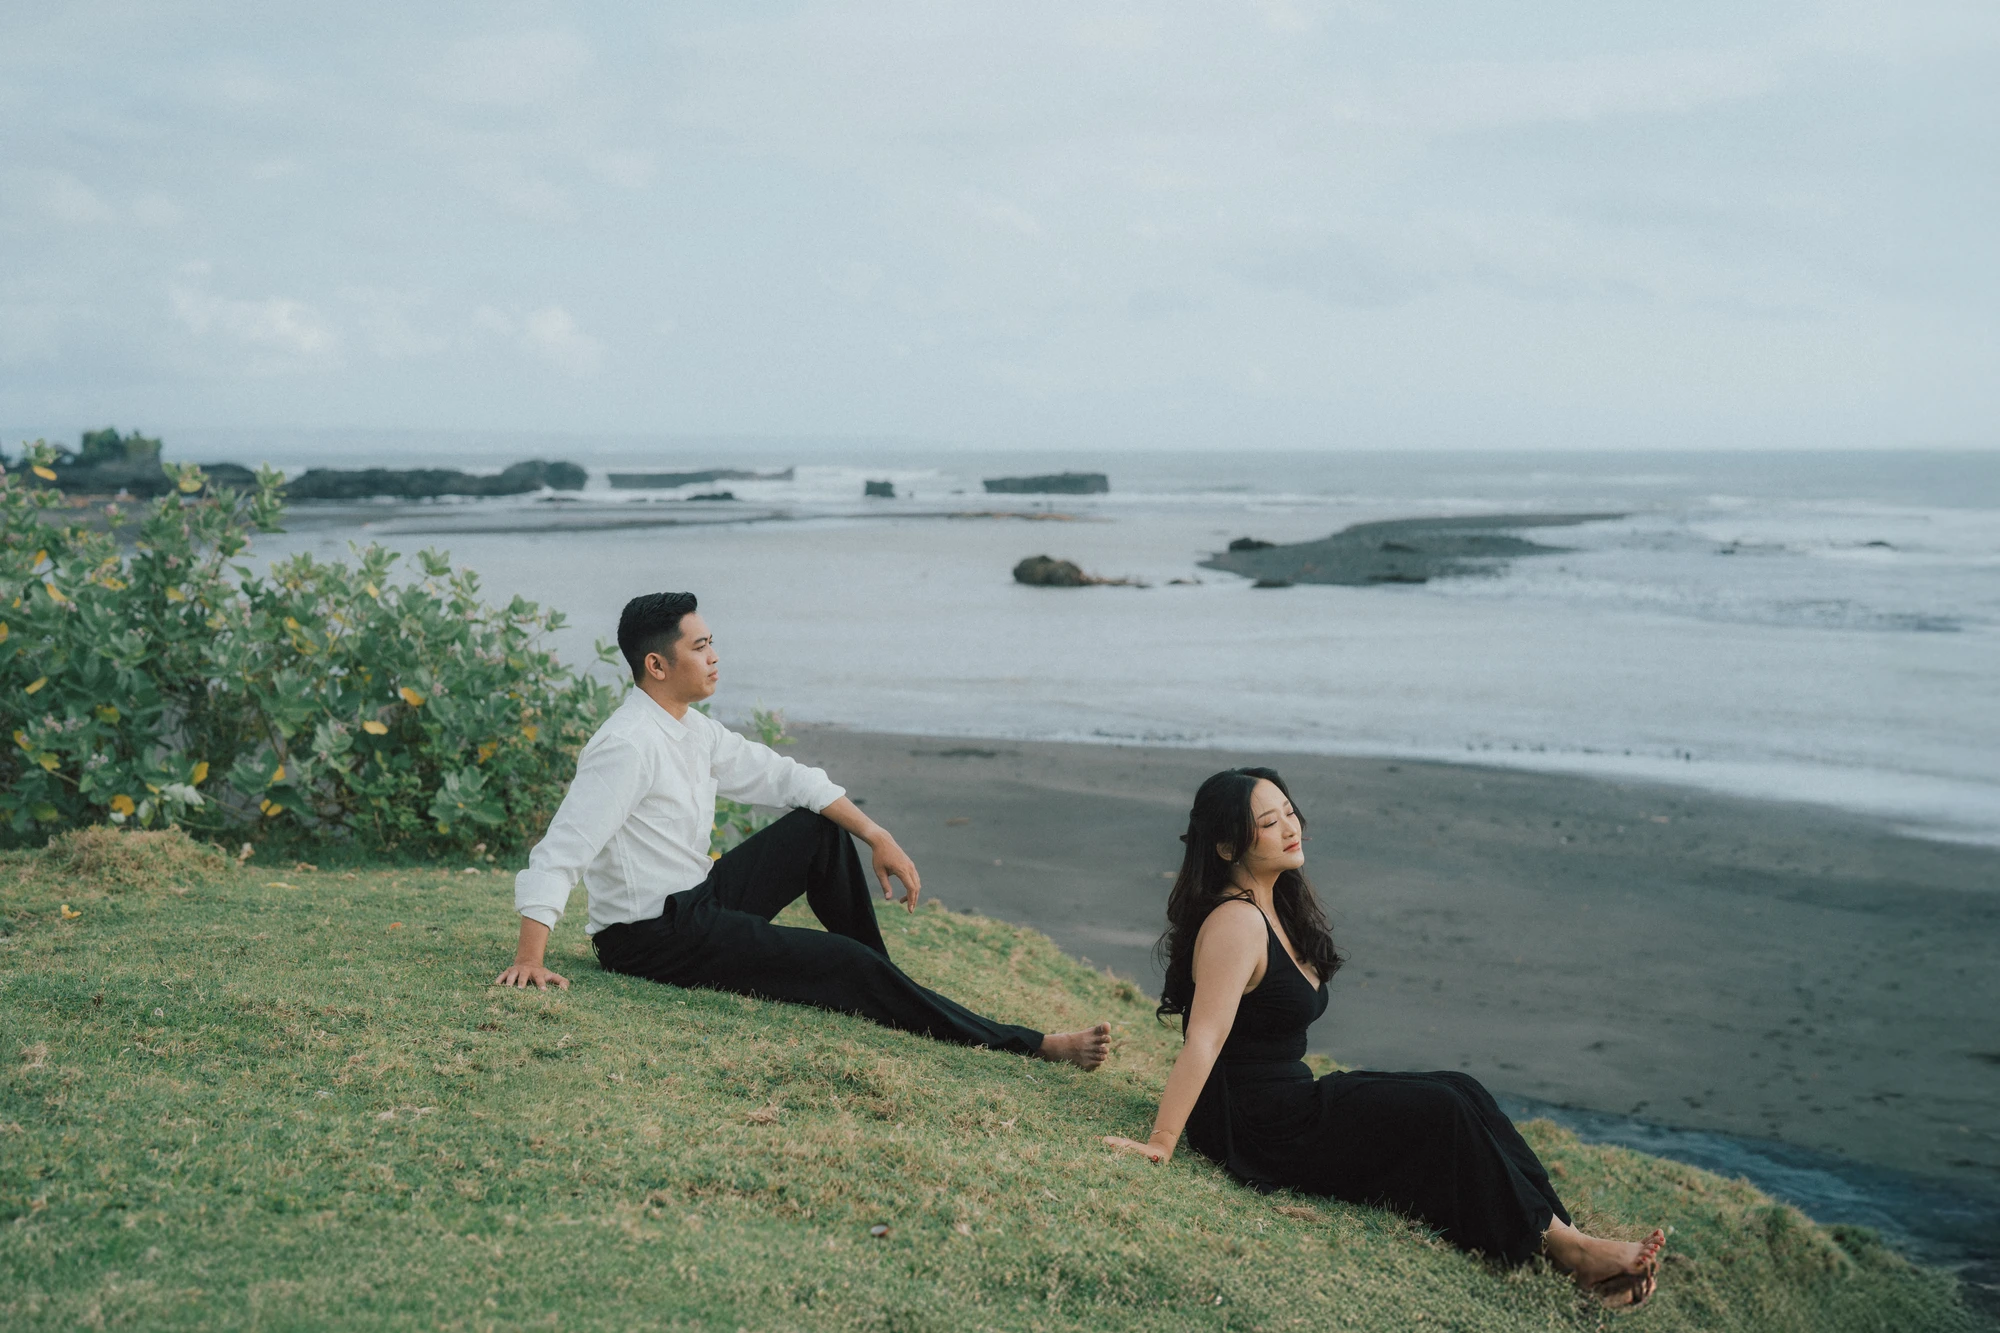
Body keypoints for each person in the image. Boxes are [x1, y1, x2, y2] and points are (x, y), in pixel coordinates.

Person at [1103, 767, 1663, 1309]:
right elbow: (1203, 1039)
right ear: (1227, 847)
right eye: (1270, 823)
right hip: (1257, 1127)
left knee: (1460, 1089)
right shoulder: (1237, 922)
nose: (1292, 827)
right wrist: (1162, 1141)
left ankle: (1567, 1238)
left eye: (1290, 813)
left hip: (1289, 1102)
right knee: (1441, 1110)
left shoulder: (1275, 906)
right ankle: (1571, 1252)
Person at [496, 591, 1110, 1071]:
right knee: (842, 962)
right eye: (700, 647)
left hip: (699, 898)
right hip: (652, 938)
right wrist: (530, 959)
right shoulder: (626, 745)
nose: (714, 657)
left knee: (819, 830)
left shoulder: (689, 727)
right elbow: (562, 850)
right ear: (657, 665)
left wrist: (876, 834)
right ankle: (1034, 1045)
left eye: (712, 644)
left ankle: (882, 984)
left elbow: (786, 777)